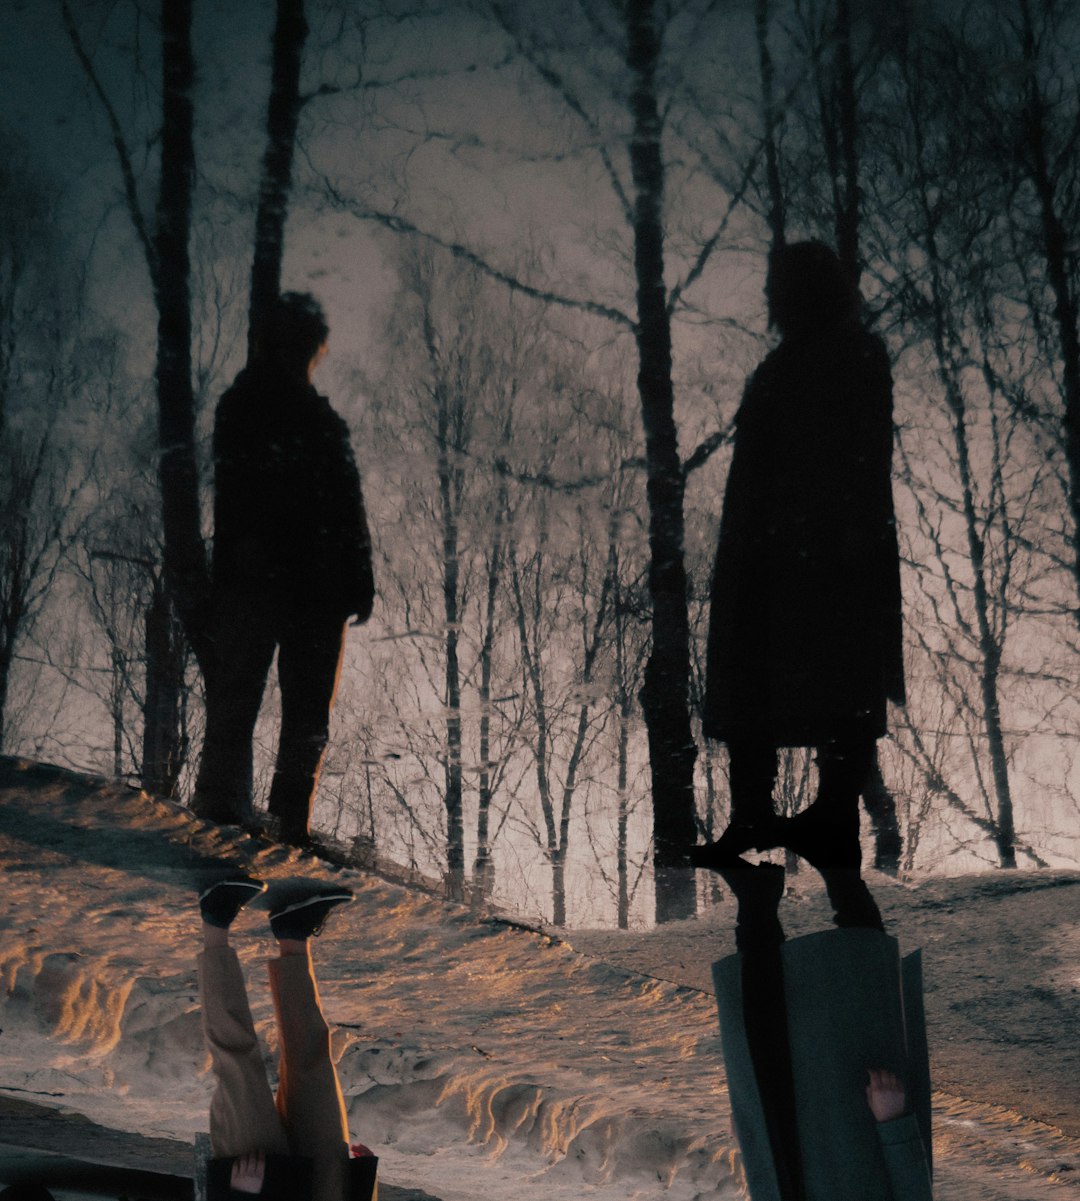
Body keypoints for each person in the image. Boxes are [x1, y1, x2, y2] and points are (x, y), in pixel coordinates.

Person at [694, 241, 904, 926]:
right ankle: (784, 874)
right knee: (817, 728)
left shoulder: (841, 364)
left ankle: (811, 877)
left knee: (828, 730)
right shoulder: (792, 371)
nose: (773, 302)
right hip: (790, 582)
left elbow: (862, 465)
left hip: (810, 581)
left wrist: (846, 545)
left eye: (782, 289)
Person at [193, 293, 375, 845]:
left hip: (309, 586)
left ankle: (286, 822)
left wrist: (358, 581)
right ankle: (233, 811)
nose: (309, 352)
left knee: (300, 714)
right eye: (301, 340)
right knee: (247, 696)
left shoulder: (315, 419)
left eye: (310, 342)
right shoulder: (250, 407)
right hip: (271, 579)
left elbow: (349, 506)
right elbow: (237, 491)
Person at [711, 858, 932, 1201]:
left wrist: (754, 1137)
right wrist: (894, 1121)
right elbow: (913, 1193)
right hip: (859, 1131)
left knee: (760, 1022)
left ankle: (755, 896)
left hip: (786, 1142)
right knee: (857, 990)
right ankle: (841, 871)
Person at [197, 874, 378, 1201]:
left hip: (262, 1193)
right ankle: (293, 933)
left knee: (238, 1064)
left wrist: (240, 1198)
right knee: (313, 1065)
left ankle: (216, 921)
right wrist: (363, 1188)